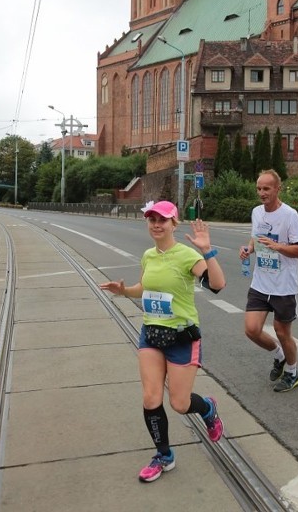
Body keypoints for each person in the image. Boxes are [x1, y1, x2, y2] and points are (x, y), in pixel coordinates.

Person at [100, 200, 227, 483]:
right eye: (151, 219)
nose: (156, 224)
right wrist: (123, 291)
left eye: (162, 220)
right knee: (150, 397)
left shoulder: (188, 256)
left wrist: (208, 251)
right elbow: (143, 288)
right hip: (152, 333)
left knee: (180, 404)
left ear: (174, 223)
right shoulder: (148, 256)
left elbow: (217, 285)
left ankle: (207, 408)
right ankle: (164, 455)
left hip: (182, 337)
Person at [239, 170, 298, 393]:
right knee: (251, 329)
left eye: (266, 188)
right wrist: (249, 249)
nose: (262, 193)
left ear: (278, 188)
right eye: (259, 188)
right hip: (261, 282)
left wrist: (278, 246)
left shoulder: (290, 215)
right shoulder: (257, 212)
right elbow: (256, 237)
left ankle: (292, 373)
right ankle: (279, 356)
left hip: (283, 285)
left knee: (282, 331)